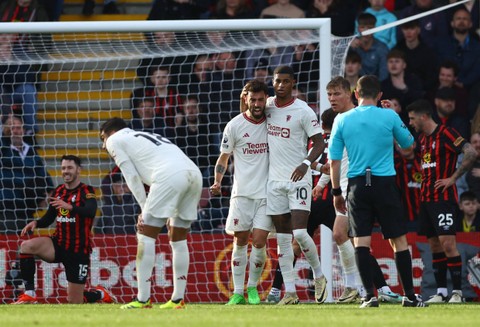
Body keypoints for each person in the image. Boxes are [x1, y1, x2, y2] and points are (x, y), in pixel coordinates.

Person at [329, 75, 426, 308]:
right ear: (380, 95)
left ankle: (369, 296)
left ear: (355, 93)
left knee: (361, 241)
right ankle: (410, 297)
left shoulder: (342, 119)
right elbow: (408, 145)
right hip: (384, 183)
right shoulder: (389, 115)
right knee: (399, 240)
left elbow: (334, 161)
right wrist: (393, 113)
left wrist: (336, 193)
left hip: (357, 184)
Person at [313, 77, 402, 304]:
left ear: (350, 93)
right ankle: (372, 288)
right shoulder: (340, 121)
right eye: (329, 95)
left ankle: (366, 288)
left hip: (364, 187)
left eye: (336, 94)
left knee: (355, 238)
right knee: (350, 238)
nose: (332, 99)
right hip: (345, 189)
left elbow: (401, 144)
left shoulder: (360, 117)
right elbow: (333, 160)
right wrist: (324, 185)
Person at [100, 117, 202, 309]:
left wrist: (143, 208)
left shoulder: (115, 139)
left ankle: (143, 299)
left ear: (111, 133)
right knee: (178, 239)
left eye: (102, 139)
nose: (104, 146)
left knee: (145, 235)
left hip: (169, 175)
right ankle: (178, 300)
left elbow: (131, 177)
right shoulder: (143, 135)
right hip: (194, 174)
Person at [11, 155, 115, 304]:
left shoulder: (87, 191)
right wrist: (36, 222)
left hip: (78, 251)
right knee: (27, 246)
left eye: (70, 168)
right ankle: (29, 293)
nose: (66, 171)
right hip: (58, 244)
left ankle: (100, 294)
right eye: (63, 168)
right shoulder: (58, 191)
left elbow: (91, 211)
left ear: (78, 170)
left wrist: (70, 207)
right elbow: (49, 217)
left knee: (74, 301)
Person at [265, 65, 327, 305]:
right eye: (277, 81)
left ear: (293, 83)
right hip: (274, 181)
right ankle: (289, 292)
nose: (281, 85)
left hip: (299, 179)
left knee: (300, 233)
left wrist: (305, 163)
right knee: (282, 239)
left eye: (286, 81)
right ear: (273, 82)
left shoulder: (303, 110)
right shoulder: (267, 106)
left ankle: (319, 275)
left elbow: (319, 143)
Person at [407, 98, 478, 304]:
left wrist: (453, 178)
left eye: (412, 119)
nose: (411, 123)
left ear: (424, 116)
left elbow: (470, 152)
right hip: (426, 199)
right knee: (434, 247)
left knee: (448, 244)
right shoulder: (422, 139)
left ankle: (457, 292)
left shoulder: (446, 133)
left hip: (444, 199)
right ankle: (441, 292)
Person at [210, 79, 273, 305]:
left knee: (259, 241)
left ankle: (253, 288)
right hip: (242, 194)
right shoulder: (234, 125)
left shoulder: (273, 121)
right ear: (245, 99)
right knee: (240, 241)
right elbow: (224, 158)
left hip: (267, 194)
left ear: (266, 99)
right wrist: (217, 181)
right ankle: (237, 292)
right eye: (252, 99)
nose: (257, 104)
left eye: (260, 99)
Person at [0, 115, 53, 232]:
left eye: (18, 128)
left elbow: (42, 173)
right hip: (7, 206)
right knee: (10, 243)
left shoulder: (32, 152)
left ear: (23, 130)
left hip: (28, 208)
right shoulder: (3, 151)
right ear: (8, 131)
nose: (16, 131)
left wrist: (49, 191)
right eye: (12, 128)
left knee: (26, 243)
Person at [350, 13, 389, 81]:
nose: (366, 31)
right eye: (362, 27)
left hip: (374, 87)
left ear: (375, 28)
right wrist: (347, 45)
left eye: (370, 27)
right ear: (358, 28)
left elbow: (384, 75)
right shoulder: (351, 45)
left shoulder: (382, 48)